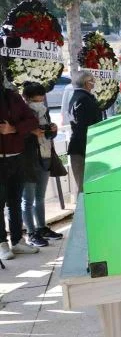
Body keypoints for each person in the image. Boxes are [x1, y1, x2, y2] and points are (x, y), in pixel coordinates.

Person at [20, 82, 63, 248]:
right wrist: (32, 131)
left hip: (45, 156)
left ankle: (41, 228)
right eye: (37, 96)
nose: (41, 99)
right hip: (29, 160)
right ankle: (31, 233)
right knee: (28, 199)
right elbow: (20, 134)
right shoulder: (24, 113)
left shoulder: (45, 111)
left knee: (40, 197)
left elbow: (48, 136)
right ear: (27, 97)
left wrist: (52, 130)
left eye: (42, 95)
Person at [0, 79, 39, 261]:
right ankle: (2, 244)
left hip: (16, 156)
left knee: (15, 201)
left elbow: (32, 120)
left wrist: (13, 129)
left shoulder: (13, 98)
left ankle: (17, 240)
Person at [67, 71, 102, 194]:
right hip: (83, 149)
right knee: (85, 190)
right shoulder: (83, 99)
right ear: (87, 83)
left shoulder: (78, 97)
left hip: (81, 148)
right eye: (92, 80)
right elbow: (85, 126)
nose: (94, 83)